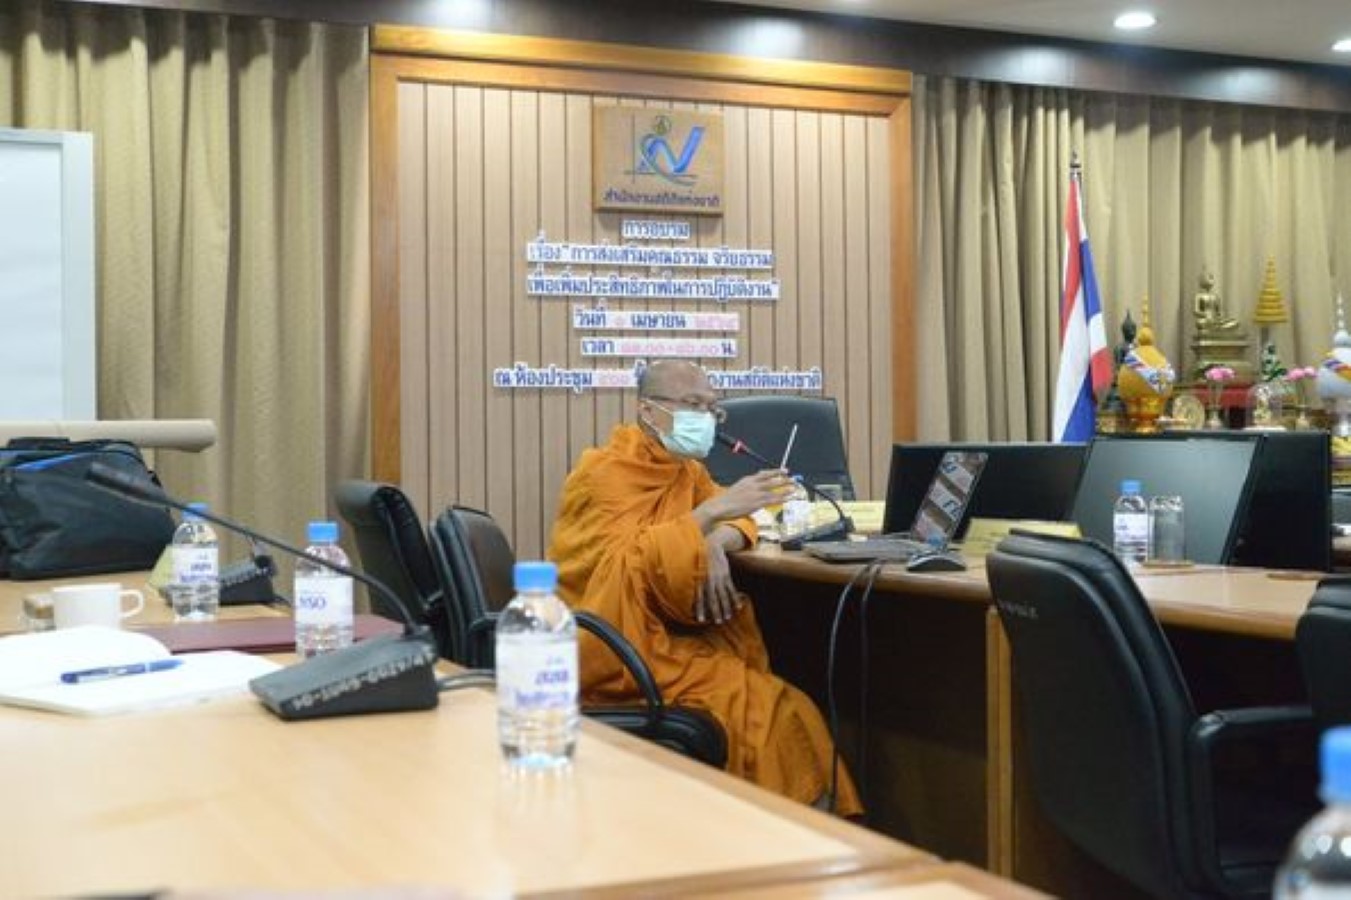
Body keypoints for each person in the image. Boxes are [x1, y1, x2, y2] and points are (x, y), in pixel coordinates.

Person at [547, 359, 862, 815]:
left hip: (663, 640)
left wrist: (714, 538)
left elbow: (742, 519)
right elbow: (622, 568)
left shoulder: (685, 472)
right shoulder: (605, 473)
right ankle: (783, 833)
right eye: (693, 404)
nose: (706, 418)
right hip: (612, 648)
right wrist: (706, 519)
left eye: (712, 408)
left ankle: (799, 834)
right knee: (771, 709)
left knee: (789, 705)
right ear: (648, 411)